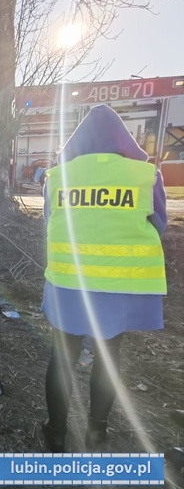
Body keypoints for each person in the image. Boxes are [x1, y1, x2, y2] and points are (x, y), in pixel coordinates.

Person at [41, 104, 168, 453]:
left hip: (70, 282)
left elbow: (49, 222)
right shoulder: (145, 175)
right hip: (120, 284)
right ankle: (96, 432)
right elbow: (159, 225)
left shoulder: (58, 177)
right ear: (124, 140)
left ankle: (54, 433)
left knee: (62, 358)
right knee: (109, 358)